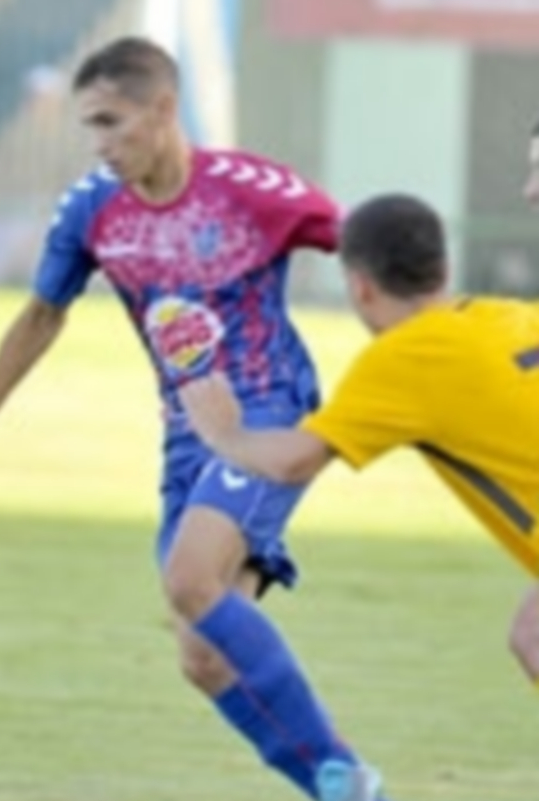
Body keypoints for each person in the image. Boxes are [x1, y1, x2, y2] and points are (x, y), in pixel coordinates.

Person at [0, 36, 416, 801]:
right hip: (190, 436)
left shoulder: (254, 192)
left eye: (112, 123)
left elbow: (378, 259)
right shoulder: (92, 210)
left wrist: (438, 367)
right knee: (200, 651)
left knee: (188, 579)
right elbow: (43, 314)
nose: (100, 144)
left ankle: (342, 773)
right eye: (90, 127)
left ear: (161, 110)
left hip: (270, 413)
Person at [180, 191, 539, 694]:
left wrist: (224, 434)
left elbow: (295, 460)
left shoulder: (403, 358)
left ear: (361, 287)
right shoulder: (508, 316)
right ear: (444, 266)